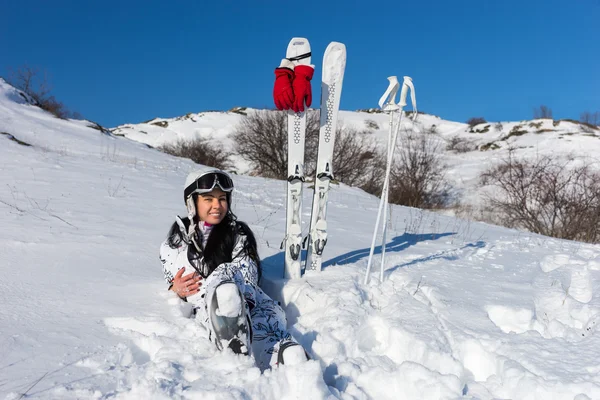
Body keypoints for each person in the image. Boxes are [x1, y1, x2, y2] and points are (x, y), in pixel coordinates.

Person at [159, 168, 307, 370]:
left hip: (252, 300)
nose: (217, 206)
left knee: (263, 318)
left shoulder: (238, 234)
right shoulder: (176, 242)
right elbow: (179, 280)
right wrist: (175, 289)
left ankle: (286, 358)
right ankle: (231, 334)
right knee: (218, 294)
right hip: (206, 308)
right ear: (192, 202)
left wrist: (230, 289)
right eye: (208, 199)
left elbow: (248, 276)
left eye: (222, 199)